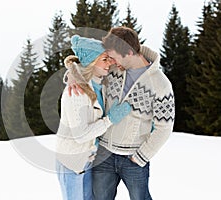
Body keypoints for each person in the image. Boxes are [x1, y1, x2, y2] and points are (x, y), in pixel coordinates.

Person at [67, 27, 175, 200]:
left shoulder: (161, 85)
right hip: (104, 154)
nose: (111, 61)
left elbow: (165, 128)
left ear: (129, 52)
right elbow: (88, 66)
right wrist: (73, 74)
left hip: (133, 158)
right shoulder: (114, 70)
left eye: (114, 57)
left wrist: (141, 156)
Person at [56, 34, 131, 200]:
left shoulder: (99, 84)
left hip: (88, 159)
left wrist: (72, 73)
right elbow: (81, 134)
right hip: (72, 162)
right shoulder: (76, 93)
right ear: (91, 61)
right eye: (104, 59)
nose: (109, 63)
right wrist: (110, 119)